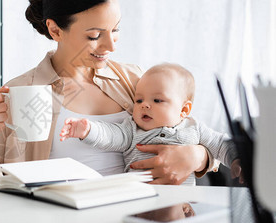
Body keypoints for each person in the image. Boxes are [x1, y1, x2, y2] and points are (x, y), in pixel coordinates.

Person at [0, 0, 217, 182]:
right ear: (55, 30)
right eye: (95, 35)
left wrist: (198, 156)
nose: (111, 46)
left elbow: (199, 134)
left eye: (115, 30)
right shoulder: (19, 92)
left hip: (135, 220)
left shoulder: (135, 81)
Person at [60, 63, 242, 185]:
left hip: (182, 202)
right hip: (139, 198)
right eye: (138, 100)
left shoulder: (194, 127)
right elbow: (111, 135)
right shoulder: (132, 129)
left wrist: (236, 160)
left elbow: (221, 144)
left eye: (157, 100)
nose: (144, 105)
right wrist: (88, 130)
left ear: (184, 110)